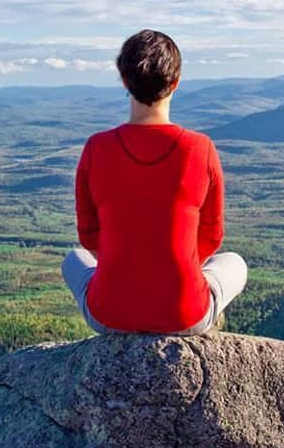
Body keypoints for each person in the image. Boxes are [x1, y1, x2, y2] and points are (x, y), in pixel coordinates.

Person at [61, 29, 248, 335]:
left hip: (109, 314)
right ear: (175, 83)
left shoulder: (97, 147)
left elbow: (89, 238)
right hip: (186, 315)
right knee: (235, 264)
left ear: (124, 80)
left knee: (73, 260)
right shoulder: (200, 148)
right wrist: (170, 271)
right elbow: (212, 237)